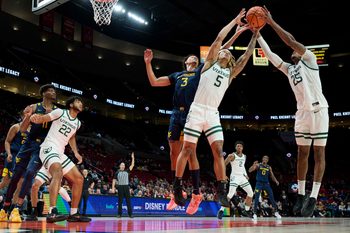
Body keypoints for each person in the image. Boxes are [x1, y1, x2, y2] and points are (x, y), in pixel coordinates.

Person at [173, 8, 259, 212]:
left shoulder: (231, 72)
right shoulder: (209, 63)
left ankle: (222, 188)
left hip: (212, 113)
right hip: (197, 109)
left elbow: (246, 56)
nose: (224, 50)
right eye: (223, 49)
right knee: (187, 149)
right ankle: (177, 185)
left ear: (229, 59)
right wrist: (235, 21)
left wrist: (254, 36)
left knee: (219, 151)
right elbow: (220, 37)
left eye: (228, 52)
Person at [257, 6, 329, 217]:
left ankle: (314, 196)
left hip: (319, 110)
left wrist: (270, 22)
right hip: (302, 114)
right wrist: (258, 35)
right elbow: (271, 55)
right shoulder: (289, 68)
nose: (293, 49)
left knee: (319, 153)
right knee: (302, 154)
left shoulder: (310, 60)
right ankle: (301, 195)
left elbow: (289, 40)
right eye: (292, 48)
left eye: (296, 46)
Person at [0, 84, 57, 223]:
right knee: (15, 177)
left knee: (30, 173)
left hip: (42, 146)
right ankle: (5, 208)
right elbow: (23, 129)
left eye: (54, 91)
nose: (53, 92)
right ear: (43, 93)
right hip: (28, 144)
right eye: (50, 90)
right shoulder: (33, 107)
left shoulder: (57, 111)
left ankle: (17, 208)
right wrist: (28, 116)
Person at [29, 95, 90, 223]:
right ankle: (52, 212)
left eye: (81, 102)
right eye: (78, 101)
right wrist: (37, 118)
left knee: (79, 179)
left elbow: (72, 137)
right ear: (71, 104)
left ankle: (73, 213)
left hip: (60, 152)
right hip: (48, 147)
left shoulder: (78, 123)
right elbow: (45, 118)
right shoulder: (60, 112)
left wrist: (76, 153)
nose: (81, 103)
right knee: (57, 172)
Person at [217, 141, 253, 219]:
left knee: (251, 193)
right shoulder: (231, 156)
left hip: (242, 177)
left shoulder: (244, 156)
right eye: (237, 146)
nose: (239, 147)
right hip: (234, 177)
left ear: (242, 148)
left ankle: (246, 211)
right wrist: (224, 175)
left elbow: (242, 166)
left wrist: (246, 174)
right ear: (235, 147)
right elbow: (223, 164)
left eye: (240, 146)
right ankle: (221, 210)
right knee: (230, 194)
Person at [0, 113, 29, 191]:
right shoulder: (16, 127)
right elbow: (7, 141)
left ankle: (13, 203)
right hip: (13, 155)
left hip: (25, 158)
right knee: (6, 181)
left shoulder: (33, 129)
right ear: (22, 116)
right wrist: (9, 153)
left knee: (20, 184)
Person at [248, 155, 281, 220]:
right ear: (262, 159)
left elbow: (272, 176)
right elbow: (249, 170)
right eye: (264, 158)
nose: (265, 159)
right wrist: (253, 165)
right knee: (256, 198)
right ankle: (254, 213)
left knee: (272, 197)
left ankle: (276, 212)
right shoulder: (258, 165)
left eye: (266, 158)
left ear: (267, 160)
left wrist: (276, 181)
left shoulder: (269, 167)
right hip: (259, 183)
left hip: (266, 184)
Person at [112, 152, 135, 218]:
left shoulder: (127, 171)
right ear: (120, 166)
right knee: (120, 201)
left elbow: (132, 165)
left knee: (128, 201)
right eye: (121, 165)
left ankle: (130, 214)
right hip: (120, 187)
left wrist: (133, 158)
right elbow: (114, 180)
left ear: (124, 166)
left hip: (126, 187)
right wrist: (113, 188)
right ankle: (119, 214)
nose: (122, 166)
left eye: (123, 165)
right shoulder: (117, 172)